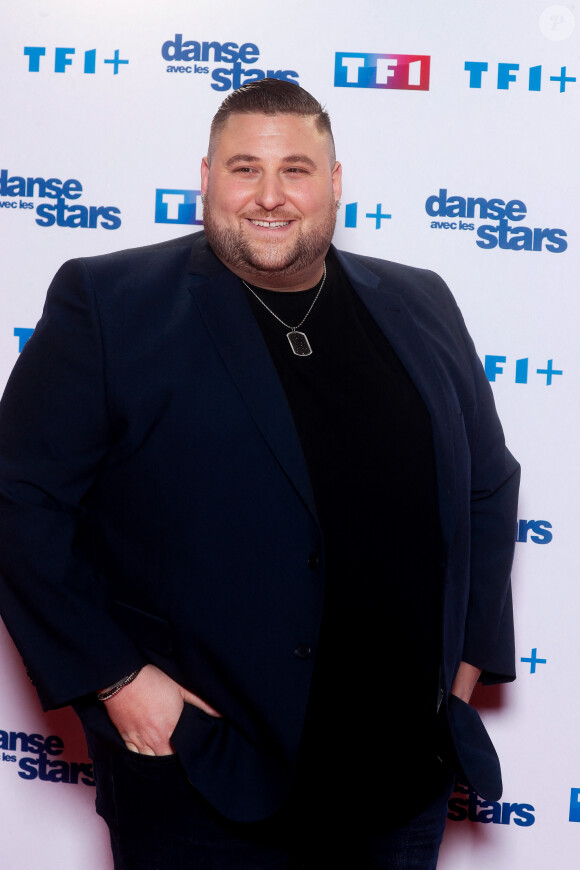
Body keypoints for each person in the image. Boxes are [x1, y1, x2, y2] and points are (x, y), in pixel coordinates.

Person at [0, 79, 519, 869]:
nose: (270, 197)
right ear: (205, 178)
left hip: (399, 784)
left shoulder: (420, 301)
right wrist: (115, 680)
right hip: (206, 784)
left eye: (296, 171)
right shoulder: (110, 302)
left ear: (335, 183)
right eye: (245, 169)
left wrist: (464, 667)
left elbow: (488, 483)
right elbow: (18, 498)